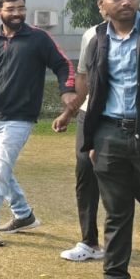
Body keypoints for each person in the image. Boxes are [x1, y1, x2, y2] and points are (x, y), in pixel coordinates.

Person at [0, 0, 77, 247]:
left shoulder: (39, 38)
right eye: (11, 9)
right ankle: (23, 215)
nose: (17, 13)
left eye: (21, 8)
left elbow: (63, 65)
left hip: (20, 117)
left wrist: (67, 89)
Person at [78, 0, 140, 279]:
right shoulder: (97, 38)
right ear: (102, 5)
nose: (126, 2)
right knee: (116, 213)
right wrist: (93, 141)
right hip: (110, 135)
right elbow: (95, 92)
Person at [52, 15, 107, 262]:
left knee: (139, 178)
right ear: (101, 5)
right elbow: (83, 78)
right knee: (85, 172)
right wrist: (69, 112)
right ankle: (89, 241)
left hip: (129, 117)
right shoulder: (92, 35)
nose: (123, 2)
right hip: (90, 113)